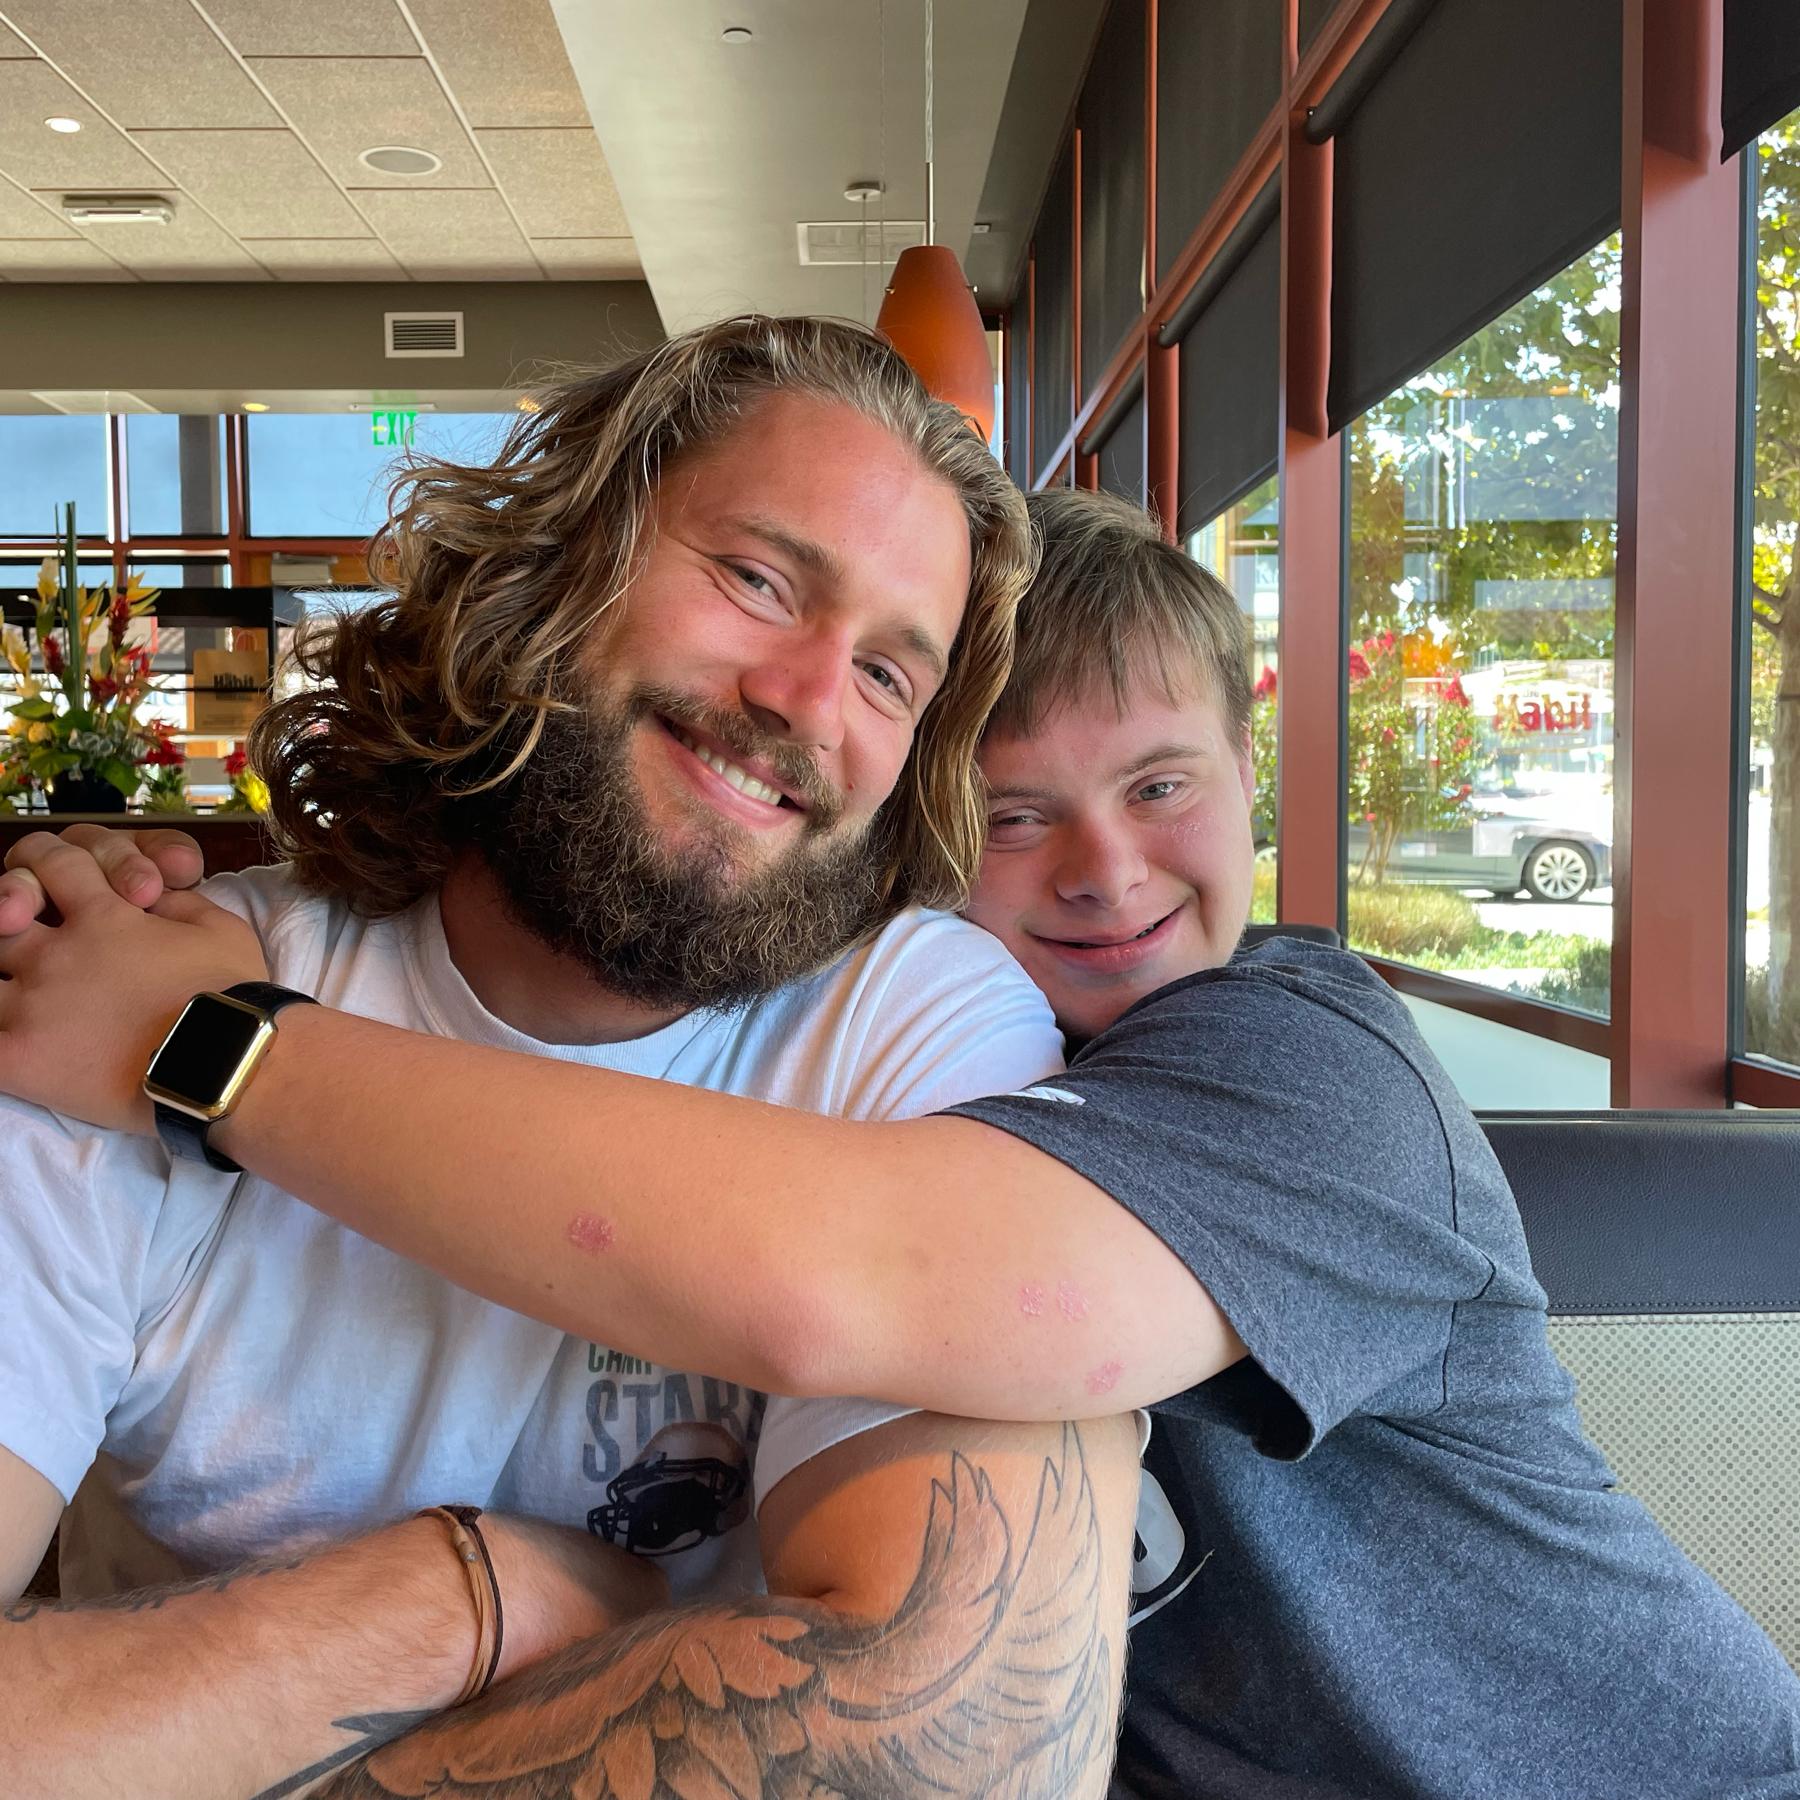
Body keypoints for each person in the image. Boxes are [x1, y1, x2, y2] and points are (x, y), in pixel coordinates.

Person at [8, 484, 1798, 1797]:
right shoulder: (922, 1055)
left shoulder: (1306, 1063)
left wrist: (203, 1044)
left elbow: (866, 1274)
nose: (1104, 867)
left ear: (1251, 777)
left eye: (1162, 785)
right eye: (1017, 816)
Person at [0, 318, 1146, 1799]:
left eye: (886, 676)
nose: (807, 701)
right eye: (757, 580)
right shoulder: (117, 984)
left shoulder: (913, 1025)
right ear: (555, 569)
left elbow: (963, 1757)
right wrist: (457, 1601)